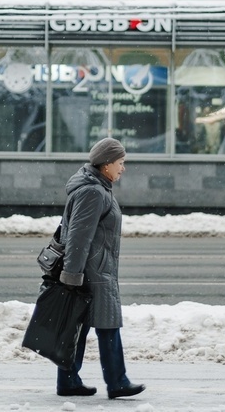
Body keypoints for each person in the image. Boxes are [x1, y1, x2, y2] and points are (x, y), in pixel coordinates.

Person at [56, 137, 146, 400]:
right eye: (120, 163)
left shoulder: (98, 187)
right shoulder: (92, 192)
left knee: (82, 327)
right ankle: (117, 382)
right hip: (93, 273)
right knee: (107, 326)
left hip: (95, 269)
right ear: (106, 164)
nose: (123, 168)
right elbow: (78, 237)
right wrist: (72, 276)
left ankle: (69, 380)